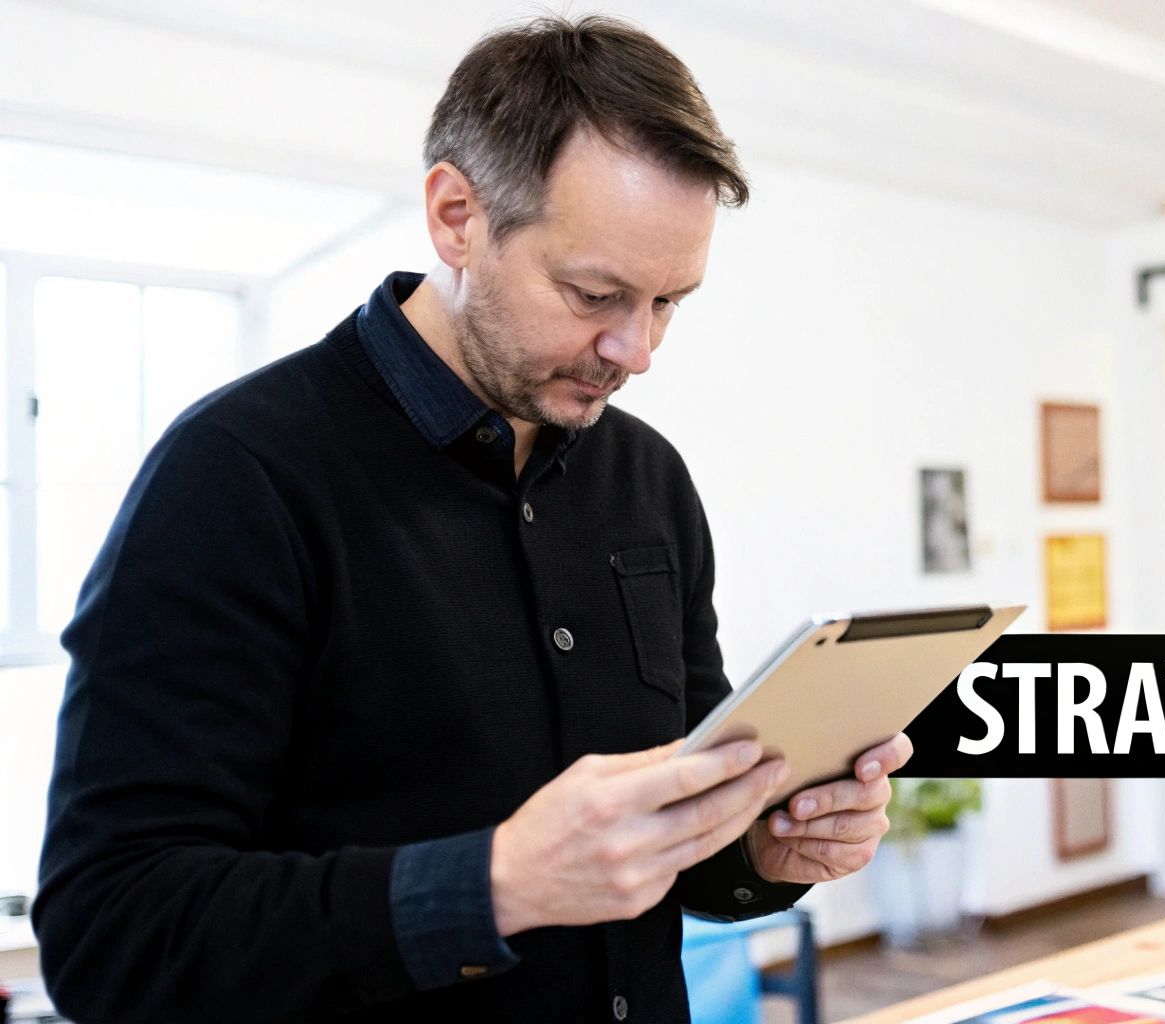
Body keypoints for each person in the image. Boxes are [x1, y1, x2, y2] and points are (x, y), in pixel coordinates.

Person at [33, 14, 907, 1023]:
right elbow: (112, 933)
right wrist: (496, 883)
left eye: (670, 302)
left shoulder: (649, 480)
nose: (635, 350)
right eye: (594, 292)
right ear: (455, 215)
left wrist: (762, 848)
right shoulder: (236, 478)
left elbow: (682, 837)